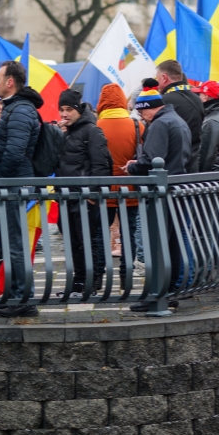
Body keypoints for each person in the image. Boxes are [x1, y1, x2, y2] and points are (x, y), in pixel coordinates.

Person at [0, 60, 42, 318]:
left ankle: (24, 299)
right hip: (10, 183)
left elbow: (14, 152)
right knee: (10, 244)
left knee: (15, 244)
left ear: (10, 81)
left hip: (13, 184)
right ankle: (14, 295)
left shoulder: (19, 110)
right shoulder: (15, 108)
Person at [125, 88, 191, 311]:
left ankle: (155, 294)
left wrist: (133, 166)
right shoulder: (178, 120)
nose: (140, 117)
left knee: (157, 244)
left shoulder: (160, 124)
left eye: (141, 112)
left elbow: (152, 160)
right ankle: (169, 291)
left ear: (149, 109)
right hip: (176, 189)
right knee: (171, 244)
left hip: (162, 192)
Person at [57, 89, 111, 297]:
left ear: (78, 109)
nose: (64, 114)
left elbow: (101, 165)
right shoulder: (64, 132)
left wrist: (92, 196)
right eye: (61, 109)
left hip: (84, 199)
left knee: (86, 242)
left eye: (69, 109)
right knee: (72, 244)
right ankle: (77, 283)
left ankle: (90, 283)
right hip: (66, 197)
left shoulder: (92, 131)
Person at [95, 83, 144, 284]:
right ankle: (126, 275)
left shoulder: (96, 127)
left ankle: (97, 275)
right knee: (130, 231)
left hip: (103, 186)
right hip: (130, 185)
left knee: (100, 232)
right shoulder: (136, 125)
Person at [156, 60, 205, 173]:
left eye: (157, 78)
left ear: (164, 78)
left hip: (169, 167)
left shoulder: (164, 101)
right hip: (192, 166)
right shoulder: (197, 99)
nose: (157, 83)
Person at [194, 81, 219, 172]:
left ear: (205, 97)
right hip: (217, 173)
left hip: (211, 177)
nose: (198, 97)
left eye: (200, 95)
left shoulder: (212, 121)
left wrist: (199, 178)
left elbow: (206, 156)